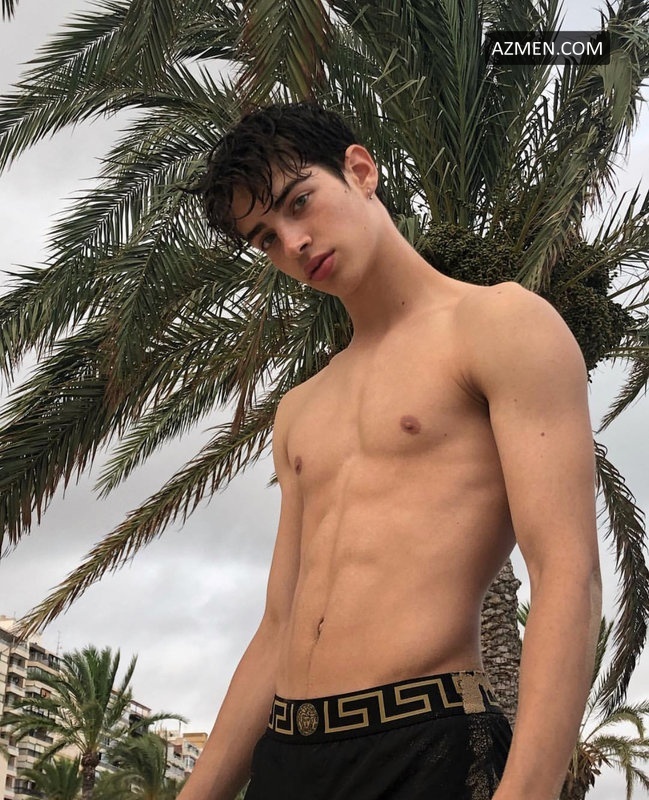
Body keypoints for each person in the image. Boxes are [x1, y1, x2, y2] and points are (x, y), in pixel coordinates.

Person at [180, 102, 602, 800]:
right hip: (285, 756)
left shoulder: (498, 326)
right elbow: (279, 625)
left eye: (299, 202)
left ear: (360, 170)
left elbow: (566, 572)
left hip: (425, 746)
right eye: (265, 238)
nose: (293, 242)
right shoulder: (299, 409)